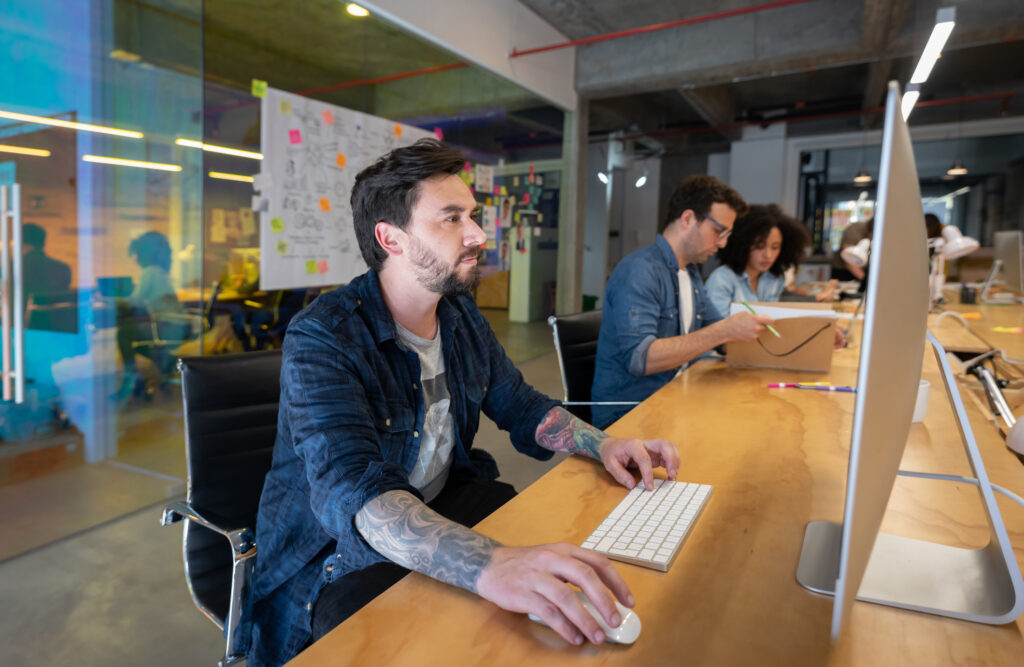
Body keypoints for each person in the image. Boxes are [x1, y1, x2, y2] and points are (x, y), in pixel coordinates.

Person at [248, 139, 680, 666]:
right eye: (451, 219)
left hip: (442, 501)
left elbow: (518, 403)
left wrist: (602, 443)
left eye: (471, 215)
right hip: (339, 558)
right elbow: (356, 494)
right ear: (391, 239)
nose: (477, 234)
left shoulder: (458, 312)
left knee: (556, 577)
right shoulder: (324, 336)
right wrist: (492, 565)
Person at [590, 175, 773, 429]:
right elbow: (640, 359)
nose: (723, 243)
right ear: (687, 219)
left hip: (674, 398)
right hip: (628, 416)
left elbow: (722, 339)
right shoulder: (640, 271)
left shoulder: (690, 273)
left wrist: (808, 335)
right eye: (719, 231)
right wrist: (725, 330)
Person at [704, 204, 845, 347]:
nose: (768, 255)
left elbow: (779, 316)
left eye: (775, 247)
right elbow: (716, 336)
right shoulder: (722, 280)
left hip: (761, 353)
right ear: (742, 244)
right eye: (759, 246)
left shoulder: (773, 278)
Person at [114, 231, 187, 398]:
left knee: (124, 334)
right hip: (177, 325)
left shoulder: (150, 272)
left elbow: (135, 301)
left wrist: (109, 301)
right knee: (132, 334)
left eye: (137, 253)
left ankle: (131, 380)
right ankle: (166, 362)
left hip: (168, 326)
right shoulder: (160, 272)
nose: (135, 258)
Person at [22, 223, 71, 308]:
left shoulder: (11, 268)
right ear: (43, 243)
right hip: (54, 320)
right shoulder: (63, 269)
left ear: (20, 243)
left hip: (21, 320)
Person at [830, 217, 873, 283]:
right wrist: (865, 279)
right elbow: (849, 260)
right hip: (843, 271)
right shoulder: (854, 230)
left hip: (862, 270)